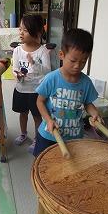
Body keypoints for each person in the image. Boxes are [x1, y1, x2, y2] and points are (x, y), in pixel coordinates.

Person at [33, 28, 102, 157]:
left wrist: (94, 113)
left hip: (74, 137)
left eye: (83, 61)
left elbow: (88, 103)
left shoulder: (86, 82)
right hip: (49, 134)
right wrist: (48, 120)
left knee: (68, 171)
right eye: (73, 60)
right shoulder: (52, 78)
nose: (77, 66)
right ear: (61, 55)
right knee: (43, 168)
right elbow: (40, 101)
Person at [12, 14, 51, 153]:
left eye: (26, 30)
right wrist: (17, 75)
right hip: (21, 88)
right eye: (20, 29)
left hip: (36, 91)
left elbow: (47, 71)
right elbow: (14, 68)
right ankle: (23, 133)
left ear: (36, 34)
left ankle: (36, 139)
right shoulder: (17, 50)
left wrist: (34, 64)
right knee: (22, 113)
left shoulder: (42, 51)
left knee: (36, 116)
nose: (21, 33)